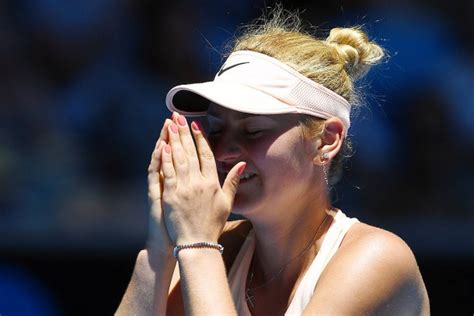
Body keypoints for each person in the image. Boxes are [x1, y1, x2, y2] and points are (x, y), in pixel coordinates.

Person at [116, 9, 430, 315]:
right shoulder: (211, 245)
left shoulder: (377, 258)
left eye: (253, 131)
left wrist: (197, 247)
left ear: (327, 139)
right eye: (217, 129)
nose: (224, 151)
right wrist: (159, 249)